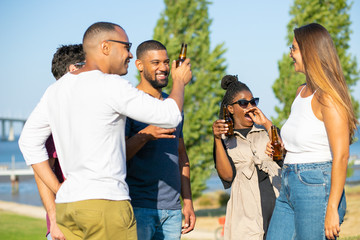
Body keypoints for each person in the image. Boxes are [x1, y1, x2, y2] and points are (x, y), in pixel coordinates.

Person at [19, 21, 192, 240]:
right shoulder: (110, 85)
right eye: (126, 46)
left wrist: (59, 189)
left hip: (68, 206)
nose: (130, 55)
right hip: (106, 205)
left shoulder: (56, 89)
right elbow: (170, 116)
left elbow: (27, 142)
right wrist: (179, 82)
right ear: (105, 47)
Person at [266, 23, 358, 240]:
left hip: (316, 185)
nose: (290, 53)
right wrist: (281, 147)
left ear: (310, 52)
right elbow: (303, 141)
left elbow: (342, 155)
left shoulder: (328, 98)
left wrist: (332, 208)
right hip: (288, 181)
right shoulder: (300, 92)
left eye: (294, 48)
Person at [125, 40, 196, 240]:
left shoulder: (173, 106)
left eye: (166, 62)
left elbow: (181, 156)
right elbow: (119, 154)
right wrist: (146, 134)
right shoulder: (130, 103)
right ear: (139, 65)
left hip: (172, 211)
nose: (163, 68)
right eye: (155, 63)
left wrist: (188, 201)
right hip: (138, 207)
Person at [212, 75, 282, 240]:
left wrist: (266, 123)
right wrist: (216, 139)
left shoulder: (266, 131)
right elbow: (227, 176)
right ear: (230, 108)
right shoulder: (225, 139)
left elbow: (285, 156)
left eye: (253, 102)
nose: (250, 107)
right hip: (246, 216)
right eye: (244, 103)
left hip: (279, 209)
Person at [33, 44, 85, 240]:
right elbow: (41, 168)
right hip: (66, 226)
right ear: (74, 69)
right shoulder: (54, 114)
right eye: (88, 66)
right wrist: (54, 220)